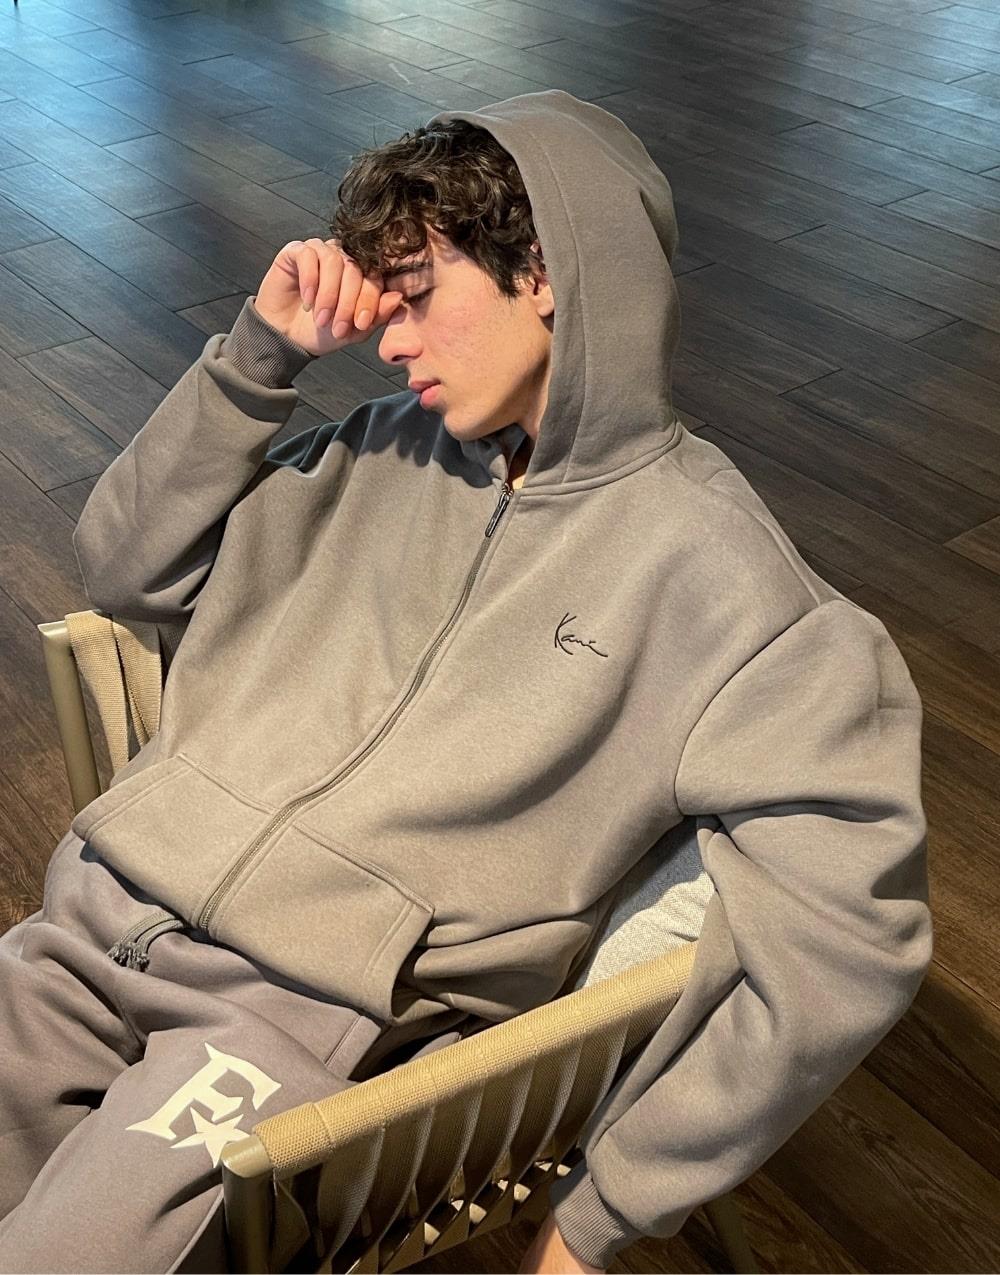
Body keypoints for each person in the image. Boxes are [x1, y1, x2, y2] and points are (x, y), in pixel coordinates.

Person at [0, 89, 932, 1274]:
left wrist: (603, 1214)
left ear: (540, 272)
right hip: (90, 916)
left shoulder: (731, 587)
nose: (389, 342)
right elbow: (127, 569)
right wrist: (259, 355)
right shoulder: (370, 448)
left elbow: (850, 934)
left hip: (290, 1020)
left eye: (418, 296)